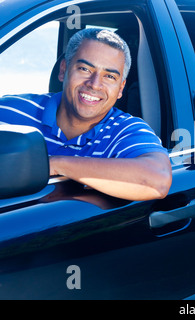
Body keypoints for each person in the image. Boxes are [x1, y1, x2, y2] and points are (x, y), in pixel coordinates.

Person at [0, 28, 172, 201]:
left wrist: (55, 164)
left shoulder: (125, 131)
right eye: (84, 69)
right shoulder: (10, 112)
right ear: (63, 70)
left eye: (110, 76)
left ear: (120, 88)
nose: (95, 84)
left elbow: (158, 180)